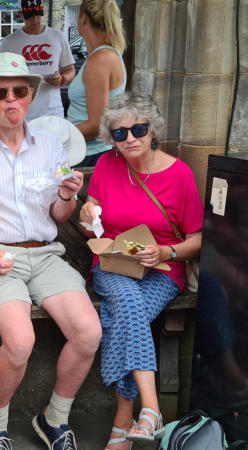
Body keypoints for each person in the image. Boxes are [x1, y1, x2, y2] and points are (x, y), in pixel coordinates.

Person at [0, 52, 102, 450]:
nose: (11, 99)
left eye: (19, 91)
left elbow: (59, 215)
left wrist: (67, 196)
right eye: (1, 93)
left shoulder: (50, 145)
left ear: (31, 95)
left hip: (45, 254)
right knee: (20, 341)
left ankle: (53, 418)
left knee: (89, 332)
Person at [78, 92, 203, 449]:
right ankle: (151, 409)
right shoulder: (106, 165)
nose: (130, 138)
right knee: (130, 304)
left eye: (138, 129)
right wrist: (87, 215)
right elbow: (92, 226)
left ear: (153, 130)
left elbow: (196, 238)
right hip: (113, 263)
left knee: (123, 316)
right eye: (120, 133)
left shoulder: (179, 174)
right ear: (111, 138)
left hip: (162, 267)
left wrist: (166, 251)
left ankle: (123, 421)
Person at [68, 0, 127, 167]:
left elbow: (97, 125)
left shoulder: (100, 59)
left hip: (90, 156)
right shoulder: (107, 54)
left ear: (84, 18)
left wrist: (57, 136)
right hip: (92, 153)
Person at [0, 0, 76, 120]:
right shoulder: (9, 42)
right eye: (30, 16)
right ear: (20, 14)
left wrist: (62, 79)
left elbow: (70, 70)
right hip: (20, 112)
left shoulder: (58, 36)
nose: (35, 20)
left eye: (38, 14)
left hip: (52, 111)